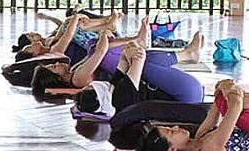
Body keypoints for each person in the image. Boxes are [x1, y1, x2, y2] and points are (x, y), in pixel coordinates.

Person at [34, 30, 206, 105]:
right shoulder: (78, 78)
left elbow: (93, 53)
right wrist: (103, 35)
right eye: (53, 67)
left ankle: (188, 54)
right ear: (56, 78)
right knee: (143, 61)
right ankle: (187, 54)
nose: (56, 63)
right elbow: (100, 52)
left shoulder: (74, 70)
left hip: (190, 93)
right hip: (188, 95)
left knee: (143, 58)